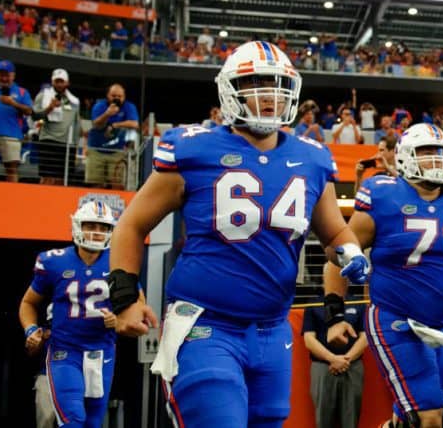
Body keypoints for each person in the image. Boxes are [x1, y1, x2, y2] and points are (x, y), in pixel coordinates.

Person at [106, 41, 370, 426]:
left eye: (277, 84)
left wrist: (351, 253)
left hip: (272, 329)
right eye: (256, 83)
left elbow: (335, 233)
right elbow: (132, 224)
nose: (269, 94)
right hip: (204, 324)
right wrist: (125, 295)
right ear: (230, 89)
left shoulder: (313, 158)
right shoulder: (193, 148)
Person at [323, 123, 443, 428]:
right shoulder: (383, 193)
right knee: (430, 413)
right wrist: (336, 304)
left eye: (441, 153)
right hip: (394, 319)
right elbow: (336, 249)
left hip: (442, 323)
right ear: (405, 156)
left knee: (417, 410)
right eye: (426, 152)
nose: (435, 160)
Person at [18, 201, 119, 427]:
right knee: (72, 419)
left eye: (103, 227)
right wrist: (31, 329)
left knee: (92, 422)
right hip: (65, 350)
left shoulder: (119, 260)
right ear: (77, 226)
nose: (96, 232)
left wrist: (118, 320)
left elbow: (135, 309)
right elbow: (28, 302)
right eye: (91, 225)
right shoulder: (54, 260)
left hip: (102, 352)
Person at [302, 293, 367, 428]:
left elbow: (365, 337)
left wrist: (345, 360)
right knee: (323, 418)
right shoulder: (314, 303)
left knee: (351, 418)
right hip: (323, 368)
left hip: (352, 366)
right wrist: (332, 359)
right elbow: (309, 339)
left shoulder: (358, 303)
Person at [86, 84, 139, 189]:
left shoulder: (129, 106)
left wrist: (115, 125)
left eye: (120, 96)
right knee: (96, 183)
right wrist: (107, 114)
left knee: (117, 184)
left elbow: (134, 124)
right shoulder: (99, 106)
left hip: (117, 151)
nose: (116, 98)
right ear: (107, 95)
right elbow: (96, 124)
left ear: (124, 97)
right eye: (113, 96)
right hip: (97, 149)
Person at [33, 68, 80, 185]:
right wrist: (50, 108)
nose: (59, 84)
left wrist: (75, 145)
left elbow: (76, 123)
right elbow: (35, 116)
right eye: (56, 81)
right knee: (47, 178)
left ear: (67, 83)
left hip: (67, 144)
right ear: (52, 82)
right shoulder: (43, 96)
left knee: (62, 179)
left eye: (62, 81)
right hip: (48, 141)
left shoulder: (74, 101)